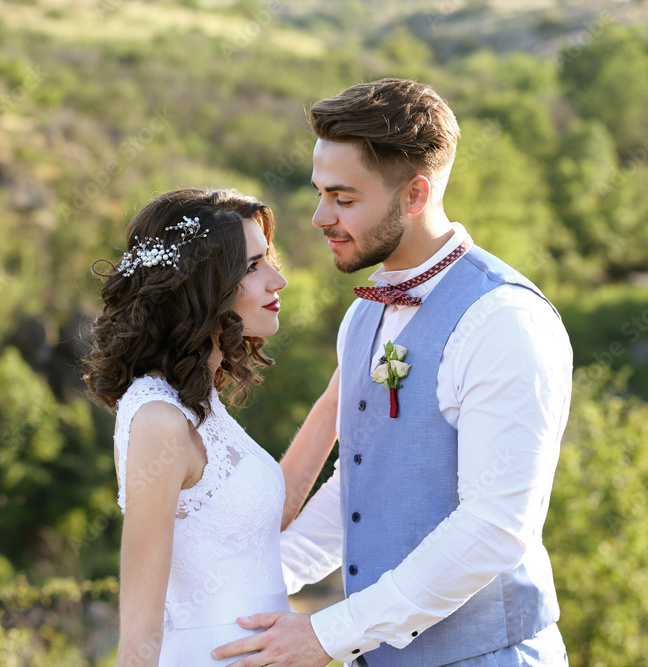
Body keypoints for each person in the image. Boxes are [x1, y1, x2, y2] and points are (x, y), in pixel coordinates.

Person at [213, 79, 572, 666]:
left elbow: (495, 528)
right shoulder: (362, 315)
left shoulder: (504, 321)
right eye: (319, 193)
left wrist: (331, 633)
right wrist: (258, 581)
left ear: (414, 195)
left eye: (343, 199)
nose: (318, 216)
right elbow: (364, 490)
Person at [82, 188, 339, 667]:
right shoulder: (159, 419)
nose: (277, 280)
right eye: (253, 267)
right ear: (203, 286)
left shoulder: (200, 405)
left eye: (269, 260)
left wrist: (337, 400)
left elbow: (264, 524)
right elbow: (140, 632)